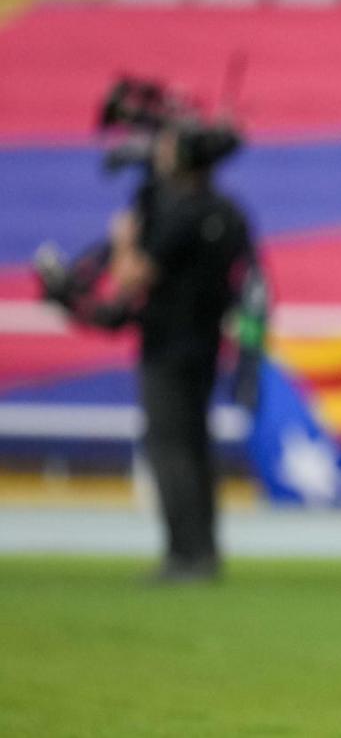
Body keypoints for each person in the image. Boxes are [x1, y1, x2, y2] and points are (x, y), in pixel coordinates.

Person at [103, 120, 252, 583]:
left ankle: (184, 555)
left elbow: (132, 276)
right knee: (195, 447)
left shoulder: (180, 214)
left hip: (168, 342)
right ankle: (203, 549)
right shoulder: (227, 210)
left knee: (170, 448)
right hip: (207, 341)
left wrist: (124, 239)